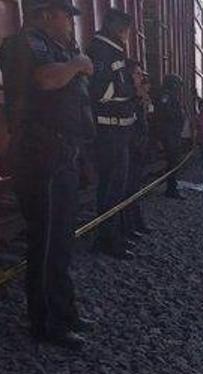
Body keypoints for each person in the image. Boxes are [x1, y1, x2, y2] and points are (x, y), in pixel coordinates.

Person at [2, 0, 96, 349]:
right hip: (42, 157)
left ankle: (64, 310)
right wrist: (77, 64)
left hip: (62, 155)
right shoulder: (25, 45)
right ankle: (46, 323)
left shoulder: (55, 47)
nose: (71, 25)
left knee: (61, 242)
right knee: (47, 244)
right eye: (66, 17)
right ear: (45, 15)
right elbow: (44, 80)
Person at [88, 8, 136, 260]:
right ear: (119, 29)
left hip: (115, 130)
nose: (127, 35)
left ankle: (109, 236)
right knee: (112, 188)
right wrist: (127, 91)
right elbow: (100, 90)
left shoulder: (106, 49)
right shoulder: (104, 50)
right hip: (110, 130)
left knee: (111, 186)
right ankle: (109, 240)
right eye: (126, 30)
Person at [124, 59, 150, 239]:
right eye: (138, 74)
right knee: (127, 189)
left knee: (134, 188)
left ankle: (135, 222)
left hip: (137, 148)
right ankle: (127, 227)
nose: (141, 78)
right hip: (129, 149)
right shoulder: (126, 97)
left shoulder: (137, 97)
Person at [155, 73, 186, 199]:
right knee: (173, 162)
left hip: (173, 133)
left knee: (174, 162)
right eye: (177, 85)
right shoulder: (166, 96)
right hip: (169, 134)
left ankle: (172, 187)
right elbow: (164, 113)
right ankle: (171, 189)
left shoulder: (170, 96)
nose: (179, 88)